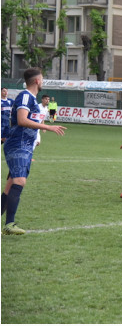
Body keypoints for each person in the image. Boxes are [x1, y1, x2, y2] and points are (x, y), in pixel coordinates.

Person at [1, 68, 66, 235]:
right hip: (17, 145)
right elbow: (22, 120)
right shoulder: (25, 96)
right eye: (42, 79)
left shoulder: (33, 100)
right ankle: (9, 224)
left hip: (25, 147)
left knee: (10, 186)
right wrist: (48, 127)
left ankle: (8, 223)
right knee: (20, 182)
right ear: (37, 81)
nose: (43, 81)